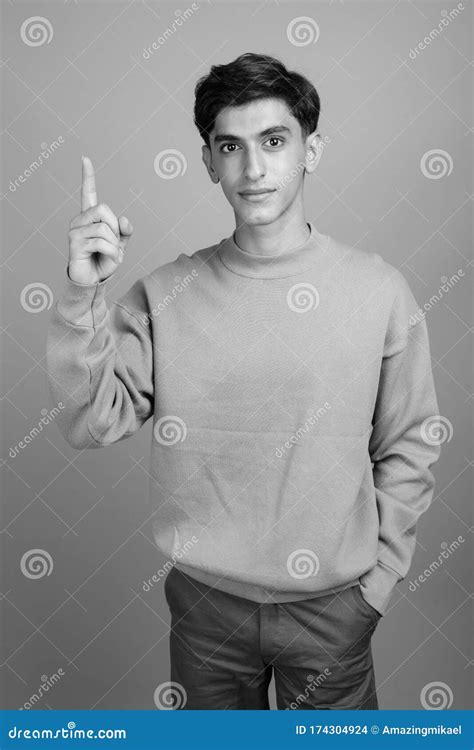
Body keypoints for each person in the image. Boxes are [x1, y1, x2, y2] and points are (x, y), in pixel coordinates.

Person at [46, 52, 441, 710]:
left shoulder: (378, 290)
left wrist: (378, 583)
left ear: (311, 150)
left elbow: (411, 441)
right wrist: (81, 296)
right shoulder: (165, 293)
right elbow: (90, 422)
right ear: (208, 161)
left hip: (334, 607)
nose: (253, 169)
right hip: (206, 609)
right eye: (230, 146)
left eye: (275, 142)